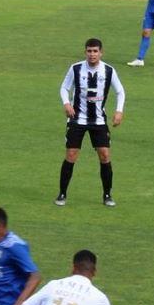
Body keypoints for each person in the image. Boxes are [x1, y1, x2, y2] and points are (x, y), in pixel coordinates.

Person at [56, 38, 126, 208]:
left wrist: (119, 111)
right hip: (77, 119)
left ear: (101, 52)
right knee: (71, 155)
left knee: (105, 155)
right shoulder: (76, 68)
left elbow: (120, 91)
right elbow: (64, 88)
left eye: (95, 51)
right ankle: (62, 193)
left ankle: (107, 194)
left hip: (99, 121)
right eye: (89, 51)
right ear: (85, 52)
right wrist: (66, 103)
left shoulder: (109, 70)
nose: (92, 54)